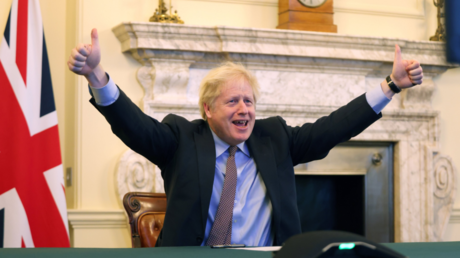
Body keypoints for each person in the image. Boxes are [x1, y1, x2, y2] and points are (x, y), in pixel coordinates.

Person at [68, 29, 423, 247]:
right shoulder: (182, 138)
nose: (245, 109)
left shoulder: (275, 139)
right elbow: (136, 127)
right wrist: (97, 76)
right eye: (233, 101)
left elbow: (334, 127)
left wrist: (390, 87)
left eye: (249, 101)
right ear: (207, 109)